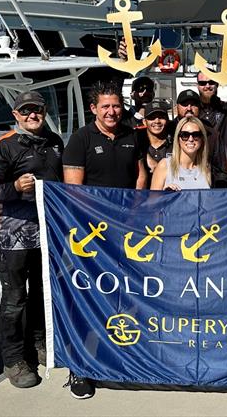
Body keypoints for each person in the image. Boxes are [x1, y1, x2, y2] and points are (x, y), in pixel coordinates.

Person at [61, 81, 147, 399]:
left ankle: (116, 357)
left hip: (125, 234)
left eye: (116, 105)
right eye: (105, 106)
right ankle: (79, 369)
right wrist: (103, 221)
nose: (112, 111)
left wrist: (134, 214)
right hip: (91, 236)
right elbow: (74, 190)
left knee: (122, 299)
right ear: (94, 109)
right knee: (86, 300)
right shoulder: (80, 139)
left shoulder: (130, 135)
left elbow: (140, 175)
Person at [0, 91, 63, 389]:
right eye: (25, 111)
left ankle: (40, 344)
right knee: (15, 300)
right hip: (12, 239)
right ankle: (14, 359)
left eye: (37, 110)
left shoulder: (54, 142)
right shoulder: (2, 147)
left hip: (47, 234)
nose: (32, 115)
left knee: (44, 293)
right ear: (15, 115)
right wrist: (14, 186)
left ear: (44, 111)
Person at [151, 116, 211, 190]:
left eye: (196, 135)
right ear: (178, 138)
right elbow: (152, 200)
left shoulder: (206, 168)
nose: (191, 139)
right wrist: (165, 194)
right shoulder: (165, 165)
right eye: (185, 135)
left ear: (202, 139)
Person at [138, 100, 172, 185]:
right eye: (152, 117)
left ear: (167, 120)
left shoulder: (176, 143)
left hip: (169, 194)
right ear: (144, 122)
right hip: (141, 195)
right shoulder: (136, 142)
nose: (157, 121)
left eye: (161, 117)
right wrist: (145, 156)